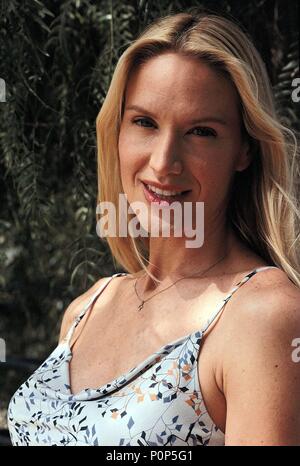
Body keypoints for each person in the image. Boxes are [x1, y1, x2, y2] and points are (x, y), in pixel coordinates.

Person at [8, 10, 300, 446]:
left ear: (244, 150)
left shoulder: (265, 316)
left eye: (201, 131)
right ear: (118, 132)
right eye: (144, 122)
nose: (164, 163)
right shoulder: (88, 308)